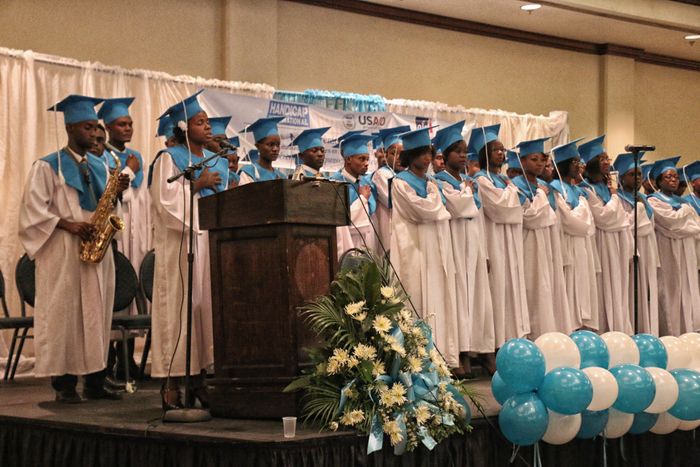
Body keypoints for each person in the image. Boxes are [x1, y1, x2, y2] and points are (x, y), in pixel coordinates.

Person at [18, 94, 130, 402]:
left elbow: (105, 208)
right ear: (69, 128)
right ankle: (64, 385)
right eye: (87, 127)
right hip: (62, 251)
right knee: (64, 315)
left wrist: (116, 195)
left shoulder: (100, 165)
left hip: (95, 250)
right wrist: (68, 224)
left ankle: (95, 380)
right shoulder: (46, 166)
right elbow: (31, 211)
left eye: (95, 127)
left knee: (96, 314)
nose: (94, 134)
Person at [148, 90, 228, 410]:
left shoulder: (210, 159)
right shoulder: (169, 159)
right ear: (183, 127)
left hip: (205, 241)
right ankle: (171, 384)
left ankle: (199, 379)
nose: (208, 127)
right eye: (200, 122)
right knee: (179, 312)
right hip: (179, 244)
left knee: (202, 311)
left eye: (208, 122)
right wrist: (198, 184)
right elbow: (165, 203)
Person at [390, 127, 459, 368]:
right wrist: (436, 203)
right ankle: (416, 359)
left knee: (438, 299)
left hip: (435, 249)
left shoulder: (431, 183)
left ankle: (440, 357)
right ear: (409, 156)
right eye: (420, 153)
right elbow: (421, 212)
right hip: (413, 249)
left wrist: (434, 203)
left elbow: (436, 211)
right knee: (416, 297)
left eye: (429, 152)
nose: (427, 158)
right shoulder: (400, 183)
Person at [433, 121, 494, 377]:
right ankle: (457, 353)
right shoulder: (438, 181)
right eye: (457, 151)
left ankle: (474, 351)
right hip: (455, 244)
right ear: (444, 156)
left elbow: (476, 213)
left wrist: (486, 252)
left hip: (474, 244)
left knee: (476, 299)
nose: (463, 155)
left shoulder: (469, 182)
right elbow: (457, 208)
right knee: (457, 298)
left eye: (465, 151)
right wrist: (466, 193)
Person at [97, 97, 152, 380]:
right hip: (115, 230)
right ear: (107, 127)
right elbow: (115, 192)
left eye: (130, 123)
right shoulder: (101, 157)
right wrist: (128, 169)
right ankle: (105, 362)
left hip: (136, 230)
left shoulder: (137, 155)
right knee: (114, 292)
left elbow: (139, 196)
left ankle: (127, 359)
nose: (128, 128)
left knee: (132, 293)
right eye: (122, 124)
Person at [470, 124, 529, 349]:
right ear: (485, 153)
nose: (501, 153)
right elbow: (501, 209)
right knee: (497, 291)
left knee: (511, 288)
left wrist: (511, 193)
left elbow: (515, 205)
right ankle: (496, 344)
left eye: (503, 149)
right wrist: (513, 194)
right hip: (492, 240)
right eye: (496, 149)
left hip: (510, 241)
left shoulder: (504, 181)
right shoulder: (481, 180)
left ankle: (513, 340)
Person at [512, 137, 573, 337]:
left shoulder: (544, 186)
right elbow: (529, 217)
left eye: (541, 160)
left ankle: (551, 334)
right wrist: (539, 195)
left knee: (548, 287)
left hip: (547, 242)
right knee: (533, 288)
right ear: (522, 161)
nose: (539, 164)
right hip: (528, 242)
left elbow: (552, 216)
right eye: (534, 159)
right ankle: (534, 335)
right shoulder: (516, 186)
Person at [579, 135, 633, 334]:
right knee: (603, 289)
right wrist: (615, 195)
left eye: (607, 159)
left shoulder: (605, 188)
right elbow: (604, 217)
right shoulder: (586, 189)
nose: (607, 162)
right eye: (602, 159)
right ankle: (604, 332)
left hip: (615, 243)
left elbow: (619, 219)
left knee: (617, 288)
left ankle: (620, 330)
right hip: (601, 242)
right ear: (592, 163)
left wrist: (612, 195)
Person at [647, 157, 700, 335]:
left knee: (688, 291)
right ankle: (671, 334)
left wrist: (682, 219)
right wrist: (684, 216)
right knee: (670, 292)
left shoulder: (683, 202)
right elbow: (671, 224)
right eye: (668, 177)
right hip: (666, 252)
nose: (673, 180)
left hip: (687, 253)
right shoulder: (653, 201)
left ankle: (690, 333)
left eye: (676, 177)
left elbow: (695, 228)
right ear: (659, 182)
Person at [550, 139, 599, 332]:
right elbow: (569, 221)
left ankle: (584, 330)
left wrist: (578, 212)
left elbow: (589, 224)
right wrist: (581, 212)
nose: (579, 166)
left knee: (583, 288)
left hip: (582, 247)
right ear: (565, 164)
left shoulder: (579, 192)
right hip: (567, 245)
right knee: (569, 291)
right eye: (575, 162)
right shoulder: (554, 188)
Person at [614, 153, 660, 335]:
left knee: (646, 293)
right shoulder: (618, 198)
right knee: (631, 292)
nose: (638, 178)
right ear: (621, 177)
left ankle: (646, 331)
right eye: (632, 174)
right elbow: (627, 224)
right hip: (630, 249)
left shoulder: (642, 199)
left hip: (647, 248)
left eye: (639, 174)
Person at [329, 132, 378, 257]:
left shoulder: (365, 183)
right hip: (346, 243)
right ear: (348, 159)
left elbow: (371, 214)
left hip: (366, 241)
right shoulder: (335, 183)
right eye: (361, 159)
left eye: (367, 159)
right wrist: (363, 198)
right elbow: (344, 220)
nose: (366, 163)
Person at [371, 126, 409, 251]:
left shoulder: (408, 175)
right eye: (394, 153)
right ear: (386, 155)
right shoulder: (382, 175)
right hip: (389, 227)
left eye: (402, 154)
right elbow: (394, 201)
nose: (399, 158)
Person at [238, 117, 287, 184]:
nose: (275, 149)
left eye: (278, 145)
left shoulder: (282, 177)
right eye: (270, 145)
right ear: (258, 146)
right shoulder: (249, 173)